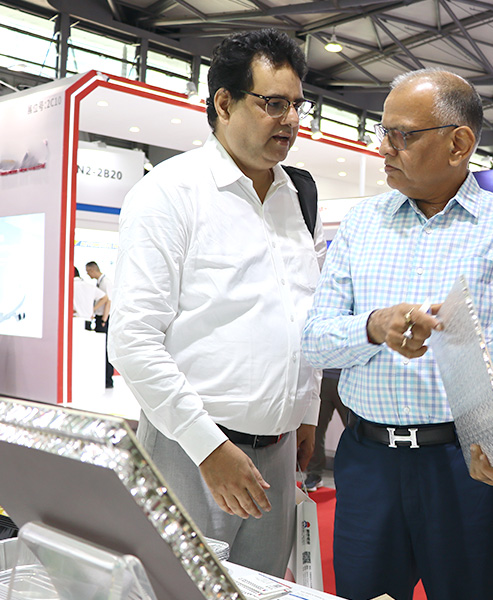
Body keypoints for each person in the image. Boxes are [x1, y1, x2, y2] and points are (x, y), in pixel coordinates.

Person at [301, 68, 493, 600]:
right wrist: (373, 327)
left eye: (402, 136)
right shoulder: (361, 224)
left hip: (467, 465)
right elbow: (316, 339)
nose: (384, 149)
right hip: (368, 463)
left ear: (458, 143)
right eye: (384, 133)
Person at [109, 28, 325, 577]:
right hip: (190, 448)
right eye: (273, 104)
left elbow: (305, 313)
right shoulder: (169, 193)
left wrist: (305, 413)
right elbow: (132, 341)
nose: (291, 120)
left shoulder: (297, 197)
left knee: (263, 587)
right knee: (180, 587)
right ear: (224, 103)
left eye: (297, 105)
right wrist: (207, 447)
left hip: (278, 454)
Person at [302, 368, 349, 491]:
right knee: (316, 429)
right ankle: (314, 473)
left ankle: (359, 475)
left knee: (355, 432)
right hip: (323, 377)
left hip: (349, 378)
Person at [85, 261, 114, 388]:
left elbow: (108, 301)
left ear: (92, 270)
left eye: (88, 271)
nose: (88, 274)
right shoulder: (99, 282)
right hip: (100, 318)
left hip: (104, 319)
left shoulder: (106, 282)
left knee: (105, 350)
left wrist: (103, 319)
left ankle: (108, 380)